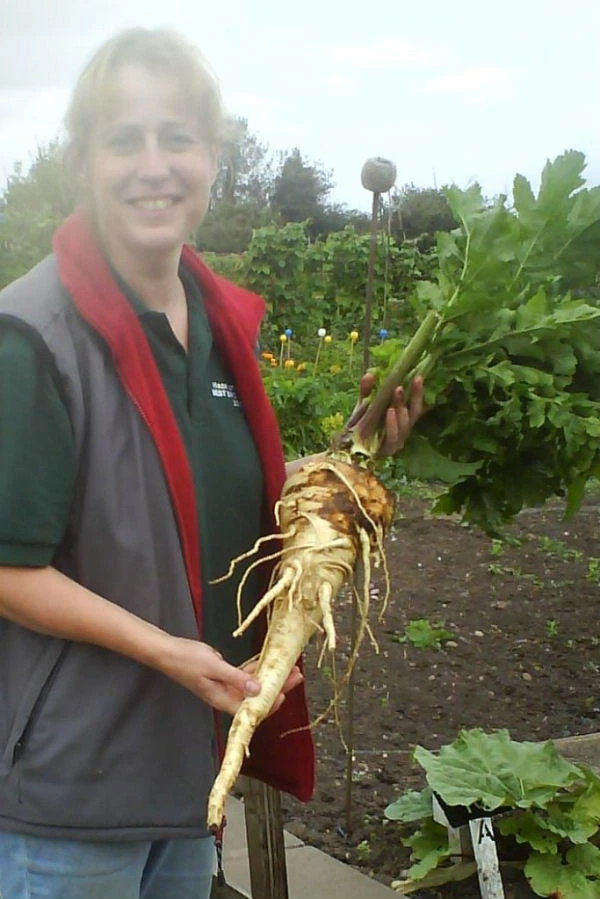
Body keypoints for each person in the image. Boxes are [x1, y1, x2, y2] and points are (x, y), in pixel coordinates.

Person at [0, 27, 424, 899]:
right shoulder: (32, 337)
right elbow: (9, 568)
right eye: (125, 140)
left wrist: (353, 453)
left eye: (177, 138)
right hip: (73, 796)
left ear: (212, 159)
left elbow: (203, 490)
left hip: (190, 777)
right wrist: (168, 651)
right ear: (84, 162)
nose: (154, 165)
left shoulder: (217, 324)